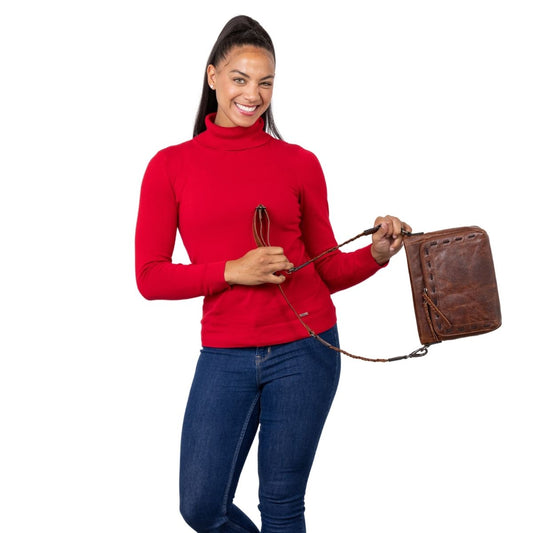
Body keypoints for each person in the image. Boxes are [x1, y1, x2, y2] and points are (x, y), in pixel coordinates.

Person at [135, 15, 410, 533]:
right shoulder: (170, 167)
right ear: (212, 76)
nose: (252, 94)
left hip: (305, 349)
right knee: (201, 507)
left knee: (282, 506)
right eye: (239, 78)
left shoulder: (299, 163)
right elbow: (150, 277)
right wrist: (232, 271)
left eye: (265, 82)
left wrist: (375, 254)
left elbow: (326, 268)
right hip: (225, 353)